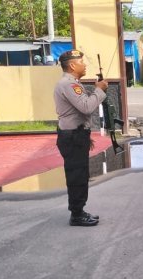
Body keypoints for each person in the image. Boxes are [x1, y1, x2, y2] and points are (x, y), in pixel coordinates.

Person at [54, 50, 108, 227]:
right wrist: (99, 91)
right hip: (72, 137)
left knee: (81, 174)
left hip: (76, 135)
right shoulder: (68, 85)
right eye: (81, 61)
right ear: (72, 65)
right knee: (77, 175)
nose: (84, 65)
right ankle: (76, 214)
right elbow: (86, 107)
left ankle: (79, 210)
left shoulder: (73, 84)